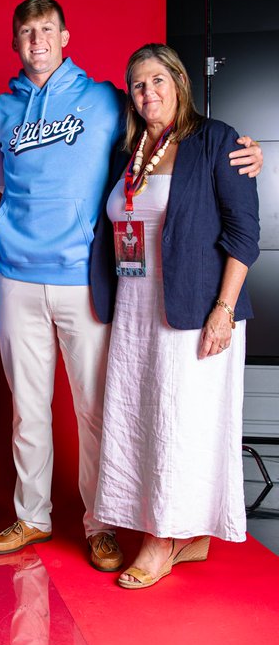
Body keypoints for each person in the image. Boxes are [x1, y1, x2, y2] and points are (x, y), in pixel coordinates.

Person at [0, 0, 262, 571]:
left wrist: (251, 152)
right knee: (39, 408)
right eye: (26, 32)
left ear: (66, 37)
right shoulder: (9, 111)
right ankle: (36, 515)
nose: (147, 92)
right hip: (70, 285)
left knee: (105, 411)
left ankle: (103, 524)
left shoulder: (106, 101)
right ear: (15, 43)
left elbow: (236, 216)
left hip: (108, 287)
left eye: (47, 30)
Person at [90, 43, 260, 588]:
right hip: (136, 306)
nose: (148, 94)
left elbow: (244, 235)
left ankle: (159, 541)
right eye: (138, 85)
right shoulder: (130, 150)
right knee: (140, 422)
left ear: (180, 83)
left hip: (195, 308)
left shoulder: (217, 140)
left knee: (178, 425)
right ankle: (189, 535)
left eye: (158, 80)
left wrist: (224, 311)